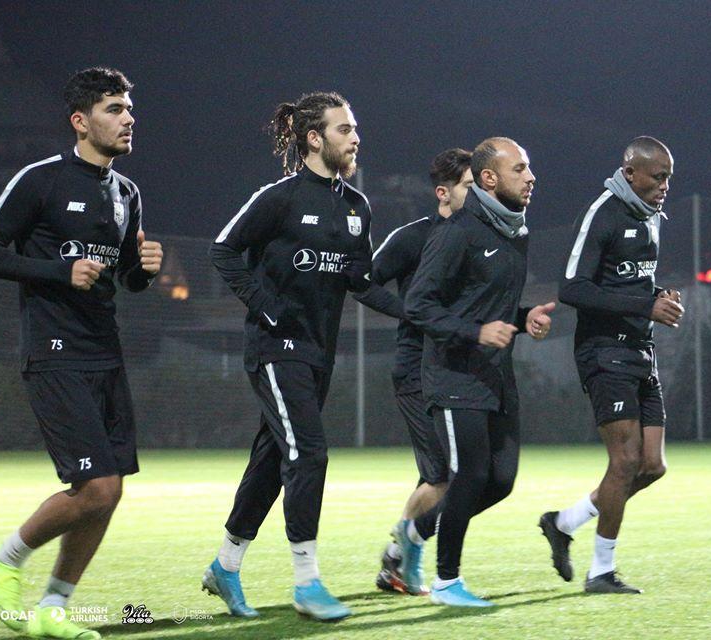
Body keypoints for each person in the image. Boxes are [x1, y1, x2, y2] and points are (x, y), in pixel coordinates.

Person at [0, 67, 162, 639]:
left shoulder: (127, 193)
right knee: (96, 487)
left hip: (105, 349)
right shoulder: (40, 180)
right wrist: (59, 270)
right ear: (81, 121)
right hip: (53, 350)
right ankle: (4, 559)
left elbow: (123, 279)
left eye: (129, 109)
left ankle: (54, 606)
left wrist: (144, 271)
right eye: (114, 109)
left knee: (109, 492)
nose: (128, 119)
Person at [204, 91, 371, 622]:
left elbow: (362, 279)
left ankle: (226, 565)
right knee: (309, 453)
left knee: (272, 462)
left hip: (319, 352)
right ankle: (307, 582)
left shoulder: (357, 206)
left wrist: (419, 313)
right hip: (276, 350)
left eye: (354, 128)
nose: (355, 137)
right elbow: (223, 250)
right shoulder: (278, 198)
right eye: (344, 129)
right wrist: (266, 307)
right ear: (314, 139)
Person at [401, 137, 556, 607]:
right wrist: (474, 332)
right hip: (454, 376)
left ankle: (415, 532)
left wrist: (524, 319)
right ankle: (447, 582)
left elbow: (492, 308)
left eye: (529, 168)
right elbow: (418, 305)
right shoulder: (457, 232)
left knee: (500, 482)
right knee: (468, 475)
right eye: (520, 169)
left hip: (495, 377)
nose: (531, 178)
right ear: (489, 179)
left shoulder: (516, 232)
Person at [539, 136, 683, 594]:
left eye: (669, 178)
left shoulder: (650, 216)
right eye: (657, 177)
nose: (664, 186)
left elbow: (631, 283)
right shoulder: (602, 212)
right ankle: (601, 571)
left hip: (641, 350)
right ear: (630, 173)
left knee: (652, 466)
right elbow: (572, 288)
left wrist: (658, 297)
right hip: (604, 351)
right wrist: (644, 306)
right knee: (624, 462)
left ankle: (564, 522)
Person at [353, 148, 473, 595]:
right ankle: (400, 555)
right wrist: (409, 311)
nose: (479, 194)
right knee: (443, 475)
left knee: (454, 473)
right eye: (469, 186)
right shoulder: (413, 237)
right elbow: (362, 281)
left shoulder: (478, 238)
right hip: (417, 371)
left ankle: (398, 559)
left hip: (460, 372)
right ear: (443, 192)